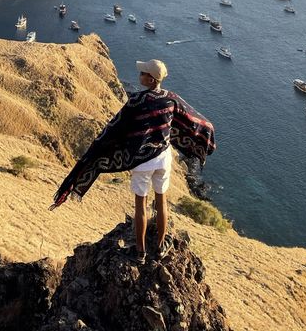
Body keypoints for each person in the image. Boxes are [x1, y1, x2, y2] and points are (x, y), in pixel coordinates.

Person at [51, 58, 215, 265]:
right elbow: (194, 120)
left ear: (151, 78)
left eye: (143, 73)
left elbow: (115, 128)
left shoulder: (136, 101)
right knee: (161, 201)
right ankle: (160, 247)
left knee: (141, 205)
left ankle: (140, 251)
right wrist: (205, 138)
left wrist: (98, 148)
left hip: (142, 161)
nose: (140, 75)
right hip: (164, 158)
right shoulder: (171, 99)